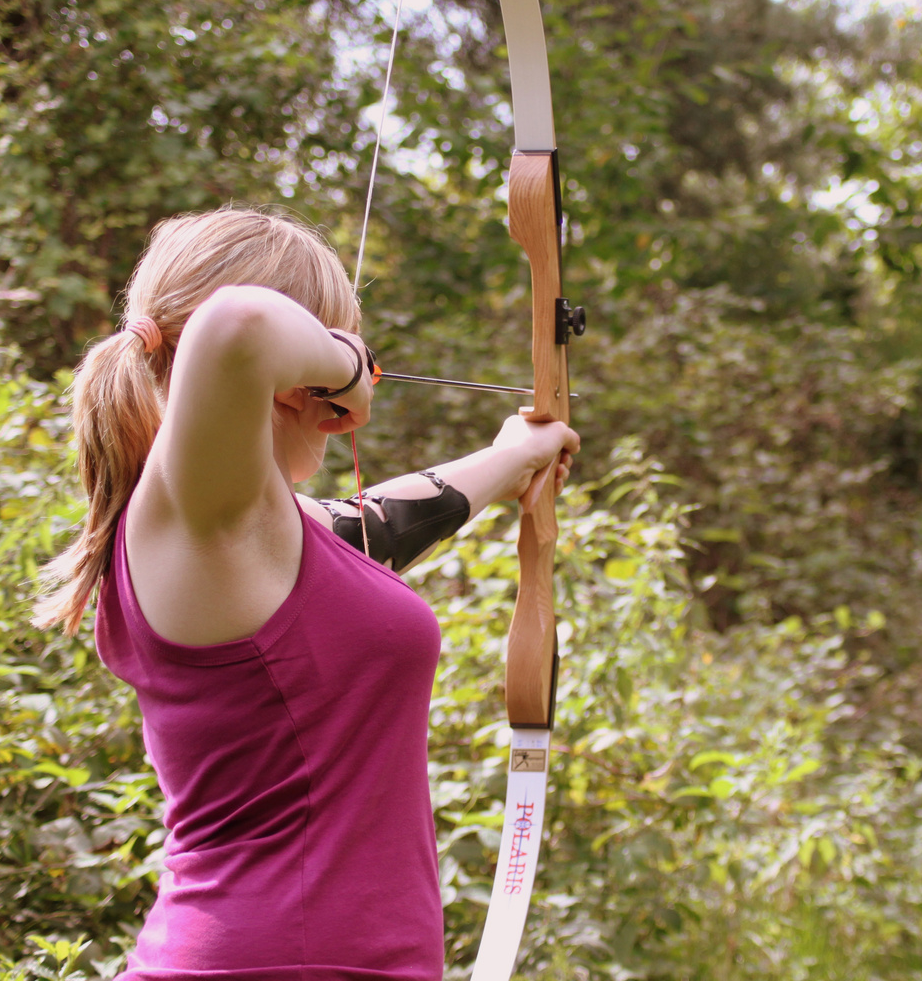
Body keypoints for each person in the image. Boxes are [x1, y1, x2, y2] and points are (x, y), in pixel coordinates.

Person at [33, 207, 580, 979]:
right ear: (302, 380)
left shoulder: (253, 531)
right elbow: (237, 322)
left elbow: (379, 524)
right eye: (334, 345)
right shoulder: (195, 518)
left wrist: (511, 458)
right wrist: (348, 366)